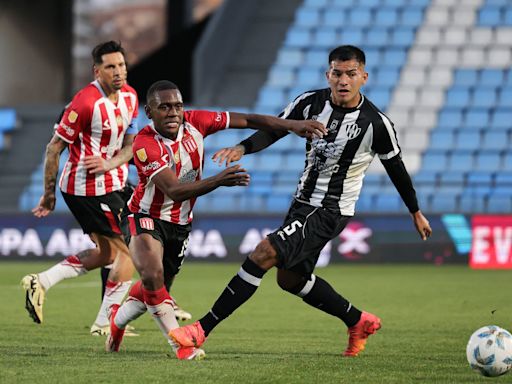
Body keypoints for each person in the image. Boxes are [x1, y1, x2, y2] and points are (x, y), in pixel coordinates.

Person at [169, 45, 433, 358]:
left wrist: (415, 212)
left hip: (330, 209)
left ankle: (201, 329)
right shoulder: (310, 102)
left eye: (351, 74)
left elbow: (397, 170)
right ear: (328, 74)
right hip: (302, 203)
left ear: (363, 76)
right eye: (337, 73)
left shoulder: (376, 124)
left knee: (263, 253)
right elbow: (275, 129)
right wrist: (242, 147)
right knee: (290, 279)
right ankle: (357, 320)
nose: (343, 80)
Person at [105, 80, 327, 360]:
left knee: (156, 287)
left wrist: (292, 125)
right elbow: (173, 191)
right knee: (152, 275)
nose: (173, 112)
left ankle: (117, 321)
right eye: (164, 107)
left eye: (177, 105)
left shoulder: (196, 121)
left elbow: (247, 119)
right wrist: (219, 180)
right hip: (145, 215)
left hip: (180, 224)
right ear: (149, 112)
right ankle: (181, 347)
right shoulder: (144, 144)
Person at [20, 41, 155, 334]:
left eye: (121, 65)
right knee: (129, 253)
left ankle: (41, 281)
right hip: (86, 188)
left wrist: (111, 163)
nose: (118, 72)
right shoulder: (84, 103)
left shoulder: (131, 96)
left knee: (107, 254)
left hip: (113, 182)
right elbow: (54, 149)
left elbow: (131, 144)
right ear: (97, 71)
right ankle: (106, 322)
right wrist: (48, 194)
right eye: (110, 67)